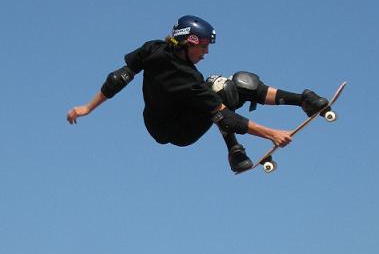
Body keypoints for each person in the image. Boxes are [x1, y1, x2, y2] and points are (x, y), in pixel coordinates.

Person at [67, 15, 330, 174]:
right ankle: (235, 151)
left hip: (157, 121)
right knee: (226, 88)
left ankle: (302, 100)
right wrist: (271, 134)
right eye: (203, 47)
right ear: (188, 43)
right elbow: (228, 119)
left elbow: (119, 77)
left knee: (229, 87)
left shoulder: (153, 49)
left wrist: (87, 108)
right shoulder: (188, 80)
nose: (205, 53)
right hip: (178, 131)